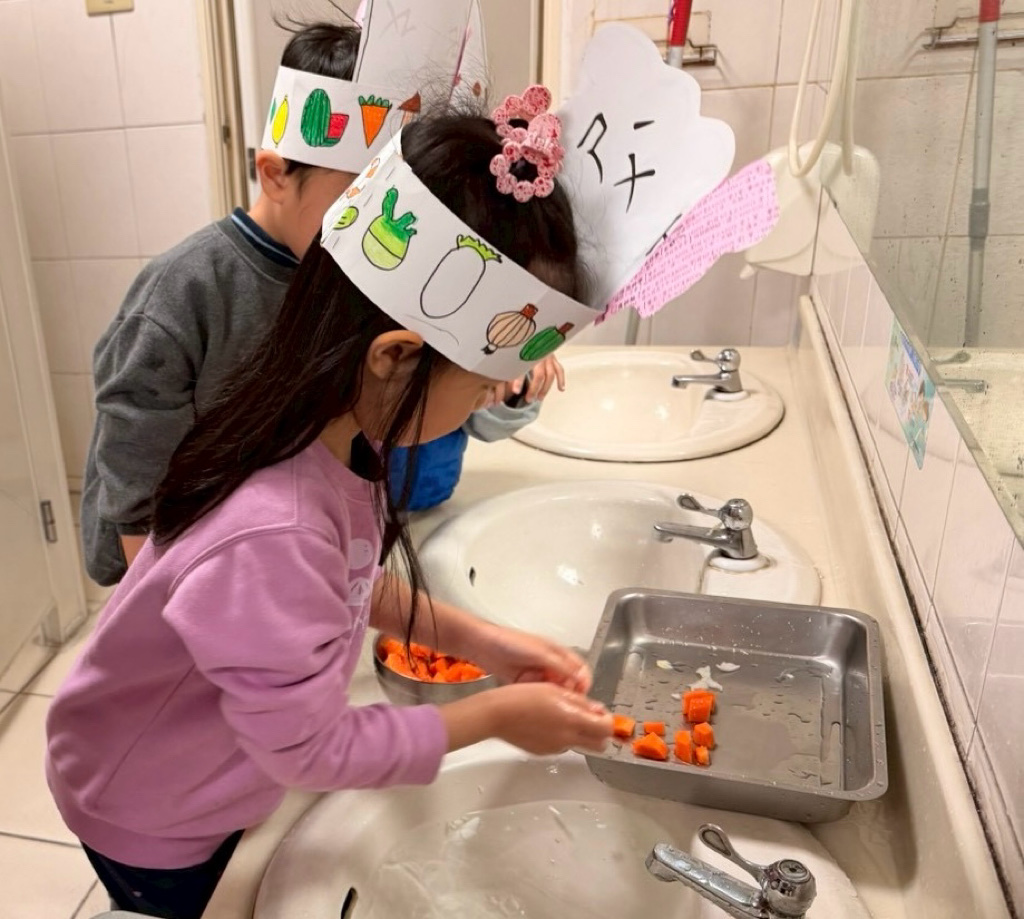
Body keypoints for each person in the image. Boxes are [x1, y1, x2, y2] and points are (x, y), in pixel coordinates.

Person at [46, 109, 613, 919]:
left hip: (194, 757)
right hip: (148, 809)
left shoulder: (330, 434)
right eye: (484, 383)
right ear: (396, 355)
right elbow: (307, 748)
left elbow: (352, 584)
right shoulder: (276, 523)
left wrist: (488, 642)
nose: (491, 400)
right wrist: (495, 716)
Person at [81, 16, 564, 584]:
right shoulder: (186, 290)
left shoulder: (360, 274)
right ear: (275, 175)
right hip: (173, 555)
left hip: (277, 541)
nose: (373, 224)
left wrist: (493, 366)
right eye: (356, 198)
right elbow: (135, 468)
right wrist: (159, 595)